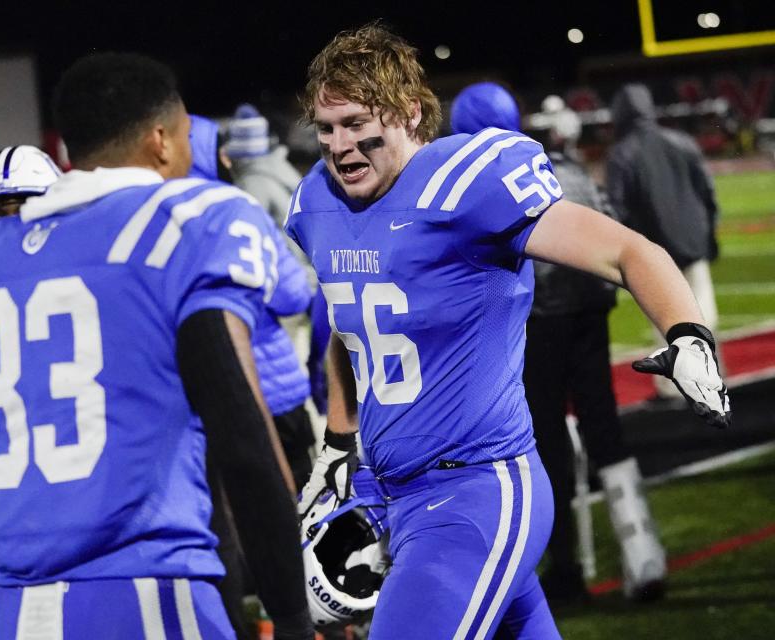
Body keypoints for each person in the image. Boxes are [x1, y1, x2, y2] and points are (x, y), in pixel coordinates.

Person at [286, 24, 730, 640]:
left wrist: (687, 333)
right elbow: (349, 320)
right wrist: (339, 440)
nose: (340, 145)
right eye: (327, 128)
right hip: (391, 493)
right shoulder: (318, 202)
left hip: (476, 490)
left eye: (358, 123)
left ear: (411, 113)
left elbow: (626, 251)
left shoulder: (467, 185)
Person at [0, 52, 313, 640]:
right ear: (161, 140)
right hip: (150, 597)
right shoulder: (185, 225)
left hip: (22, 611)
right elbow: (244, 441)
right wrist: (291, 616)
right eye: (187, 135)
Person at [453, 84, 668, 604]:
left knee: (544, 441)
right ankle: (644, 557)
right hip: (591, 309)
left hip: (538, 321)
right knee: (603, 428)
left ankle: (565, 567)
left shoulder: (480, 181)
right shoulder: (560, 167)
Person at [188, 113, 314, 639]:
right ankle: (315, 619)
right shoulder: (235, 207)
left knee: (220, 527)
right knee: (295, 510)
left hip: (200, 405)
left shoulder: (147, 222)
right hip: (273, 387)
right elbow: (292, 293)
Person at [607, 83, 724, 400]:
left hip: (654, 254)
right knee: (703, 315)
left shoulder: (622, 154)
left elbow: (615, 211)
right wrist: (709, 233)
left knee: (668, 321)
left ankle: (675, 388)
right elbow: (707, 192)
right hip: (693, 241)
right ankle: (712, 381)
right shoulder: (681, 141)